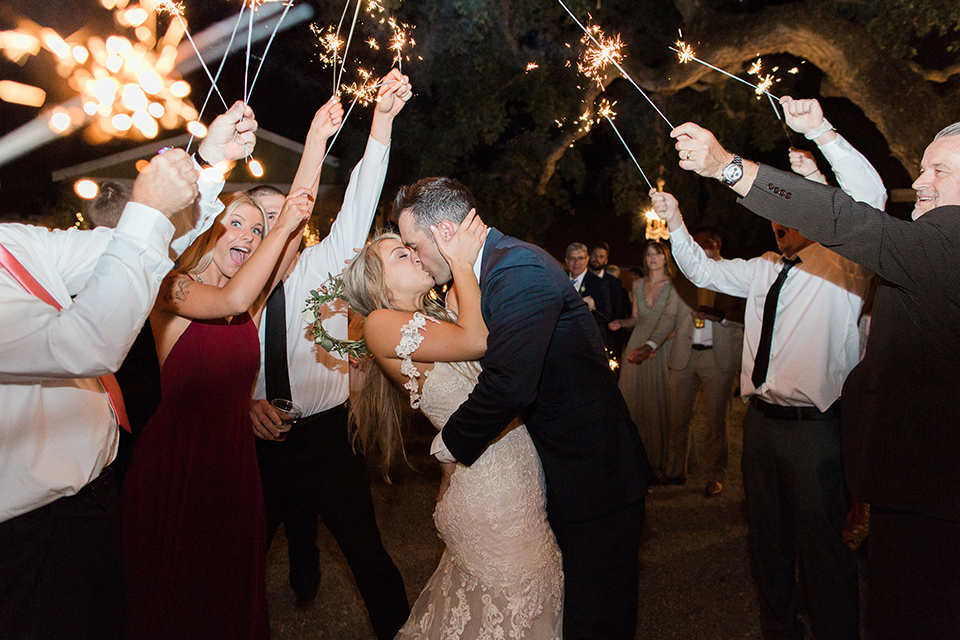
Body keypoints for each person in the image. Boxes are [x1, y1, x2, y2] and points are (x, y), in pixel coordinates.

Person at [672, 97, 960, 639]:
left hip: (840, 443)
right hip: (771, 428)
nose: (919, 182)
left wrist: (735, 165)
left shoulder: (863, 261)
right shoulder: (762, 269)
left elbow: (858, 208)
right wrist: (674, 224)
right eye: (921, 168)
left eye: (937, 170)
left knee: (836, 559)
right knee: (770, 545)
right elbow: (704, 272)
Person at [0, 100, 254, 639]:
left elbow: (132, 251)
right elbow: (84, 344)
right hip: (28, 537)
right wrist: (148, 205)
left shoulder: (12, 241)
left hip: (93, 499)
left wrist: (208, 164)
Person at [397, 178, 654, 639]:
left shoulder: (518, 267)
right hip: (560, 467)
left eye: (415, 246)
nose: (415, 258)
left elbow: (510, 384)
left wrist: (447, 449)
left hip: (596, 470)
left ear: (445, 231)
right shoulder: (487, 270)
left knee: (598, 618)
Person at [120, 105, 322, 637]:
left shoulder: (249, 306)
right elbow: (233, 291)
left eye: (259, 232)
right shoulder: (172, 287)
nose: (252, 238)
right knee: (174, 594)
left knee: (224, 595)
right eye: (239, 224)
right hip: (176, 462)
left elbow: (291, 237)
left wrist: (316, 138)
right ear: (210, 230)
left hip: (234, 465)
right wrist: (280, 226)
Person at [343, 214, 564, 639]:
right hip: (489, 488)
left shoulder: (440, 312)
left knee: (527, 593)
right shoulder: (380, 323)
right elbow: (479, 342)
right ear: (378, 282)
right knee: (514, 598)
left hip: (506, 469)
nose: (415, 255)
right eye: (400, 253)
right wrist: (461, 263)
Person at [247, 71, 412, 639]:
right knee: (242, 564)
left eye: (280, 217)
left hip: (325, 438)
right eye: (258, 222)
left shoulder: (327, 263)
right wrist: (243, 408)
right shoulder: (232, 289)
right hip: (255, 446)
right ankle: (298, 575)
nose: (269, 230)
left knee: (368, 556)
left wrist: (381, 119)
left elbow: (364, 193)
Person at [662, 227, 745, 496]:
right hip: (684, 356)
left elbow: (745, 315)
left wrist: (719, 315)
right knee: (678, 418)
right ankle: (676, 470)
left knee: (716, 421)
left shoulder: (734, 273)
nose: (701, 249)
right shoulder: (684, 277)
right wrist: (650, 344)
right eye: (696, 245)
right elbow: (669, 316)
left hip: (717, 357)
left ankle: (714, 475)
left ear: (717, 244)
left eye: (705, 244)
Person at [609, 240, 680, 475]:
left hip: (662, 346)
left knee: (659, 403)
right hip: (638, 340)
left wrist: (658, 344)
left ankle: (661, 458)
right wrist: (622, 323)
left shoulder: (674, 286)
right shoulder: (638, 284)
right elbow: (637, 318)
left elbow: (675, 322)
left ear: (665, 258)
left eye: (657, 254)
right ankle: (634, 456)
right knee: (634, 402)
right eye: (649, 254)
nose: (652, 258)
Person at [566, 241, 613, 349]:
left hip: (588, 344)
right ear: (566, 261)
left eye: (580, 258)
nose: (576, 262)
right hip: (565, 342)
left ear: (587, 259)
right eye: (572, 258)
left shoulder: (599, 284)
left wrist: (590, 310)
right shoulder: (559, 282)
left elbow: (606, 316)